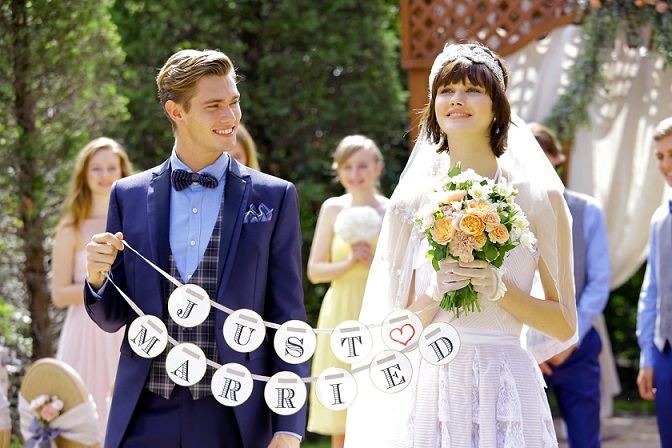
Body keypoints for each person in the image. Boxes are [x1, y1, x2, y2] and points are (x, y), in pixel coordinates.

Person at [344, 42, 577, 447]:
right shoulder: (408, 203)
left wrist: (501, 290)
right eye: (446, 90)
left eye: (472, 90)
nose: (456, 99)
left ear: (497, 106)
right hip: (433, 388)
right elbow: (392, 333)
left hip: (506, 384)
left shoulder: (542, 198)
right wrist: (435, 293)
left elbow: (564, 323)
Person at [83, 49, 307, 448]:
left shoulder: (274, 196)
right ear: (176, 112)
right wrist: (97, 278)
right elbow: (113, 317)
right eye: (214, 105)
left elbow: (288, 318)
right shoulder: (128, 195)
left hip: (236, 414)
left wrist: (288, 426)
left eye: (234, 101)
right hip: (146, 413)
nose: (230, 116)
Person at [531, 122, 610, 448]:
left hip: (576, 347)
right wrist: (533, 348)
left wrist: (568, 338)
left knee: (585, 439)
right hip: (524, 349)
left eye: (541, 155)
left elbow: (599, 281)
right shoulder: (505, 213)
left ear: (556, 158)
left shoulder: (587, 210)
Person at [306, 135, 388, 448]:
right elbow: (315, 272)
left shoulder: (391, 210)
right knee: (341, 404)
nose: (355, 174)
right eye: (347, 167)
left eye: (362, 166)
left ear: (377, 167)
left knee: (379, 402)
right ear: (338, 170)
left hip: (378, 310)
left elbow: (401, 272)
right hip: (340, 312)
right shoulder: (332, 209)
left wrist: (373, 262)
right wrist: (350, 261)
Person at [51, 137, 133, 442]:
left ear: (123, 171)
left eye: (112, 167)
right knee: (81, 424)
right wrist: (100, 284)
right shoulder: (70, 228)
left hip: (124, 329)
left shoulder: (135, 222)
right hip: (83, 333)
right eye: (96, 168)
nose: (105, 174)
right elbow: (59, 294)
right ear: (84, 174)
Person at [637, 116, 672, 448]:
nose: (665, 164)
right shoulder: (661, 218)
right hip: (666, 353)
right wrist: (648, 356)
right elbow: (652, 291)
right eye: (660, 156)